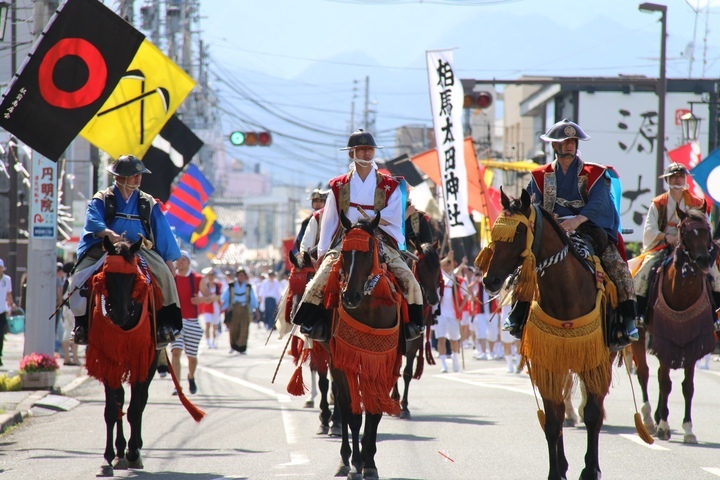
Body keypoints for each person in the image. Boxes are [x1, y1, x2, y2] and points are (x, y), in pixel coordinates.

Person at [505, 119, 639, 349]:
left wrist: (576, 221)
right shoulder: (540, 176)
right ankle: (518, 314)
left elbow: (599, 203)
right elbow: (530, 205)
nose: (569, 145)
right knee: (524, 267)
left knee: (617, 266)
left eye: (573, 141)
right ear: (554, 145)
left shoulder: (594, 173)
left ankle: (627, 320)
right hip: (549, 232)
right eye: (564, 141)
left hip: (588, 230)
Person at [292, 129, 425, 342]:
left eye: (369, 149)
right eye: (361, 149)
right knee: (321, 276)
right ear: (351, 153)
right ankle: (310, 321)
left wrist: (371, 222)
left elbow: (394, 215)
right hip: (347, 238)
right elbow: (330, 220)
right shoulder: (338, 185)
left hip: (378, 238)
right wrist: (324, 251)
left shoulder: (389, 184)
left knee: (408, 278)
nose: (366, 153)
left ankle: (415, 323)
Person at [71, 155, 182, 347]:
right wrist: (108, 233)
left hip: (140, 249)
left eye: (140, 175)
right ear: (119, 177)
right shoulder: (102, 198)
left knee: (165, 275)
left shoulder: (147, 202)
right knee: (77, 278)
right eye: (134, 175)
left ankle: (165, 324)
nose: (138, 179)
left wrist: (169, 261)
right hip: (107, 247)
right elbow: (93, 220)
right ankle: (81, 324)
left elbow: (161, 230)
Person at [633, 162, 720, 319]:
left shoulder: (697, 203)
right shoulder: (658, 203)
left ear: (685, 179)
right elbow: (649, 230)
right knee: (644, 272)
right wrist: (667, 237)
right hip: (663, 246)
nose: (678, 180)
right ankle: (640, 314)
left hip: (692, 247)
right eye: (673, 177)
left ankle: (715, 316)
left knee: (714, 273)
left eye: (681, 176)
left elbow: (707, 227)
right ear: (667, 180)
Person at [171, 251, 207, 395]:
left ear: (189, 262)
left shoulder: (197, 278)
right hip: (176, 321)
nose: (180, 262)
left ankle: (191, 376)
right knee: (175, 352)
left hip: (192, 321)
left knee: (192, 358)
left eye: (184, 260)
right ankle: (177, 385)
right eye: (178, 260)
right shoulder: (171, 277)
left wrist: (201, 300)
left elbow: (209, 297)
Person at [434, 254, 466, 372]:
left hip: (453, 314)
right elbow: (438, 265)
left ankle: (455, 360)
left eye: (449, 264)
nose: (446, 266)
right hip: (441, 314)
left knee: (454, 340)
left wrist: (460, 307)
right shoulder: (438, 279)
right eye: (445, 264)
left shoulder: (458, 280)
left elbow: (466, 296)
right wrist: (447, 257)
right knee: (441, 339)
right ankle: (444, 365)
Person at [221, 267, 258, 354]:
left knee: (244, 328)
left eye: (243, 275)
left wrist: (256, 309)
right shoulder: (231, 286)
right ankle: (233, 346)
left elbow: (253, 299)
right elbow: (225, 297)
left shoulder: (248, 287)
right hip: (234, 309)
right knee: (233, 329)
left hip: (244, 309)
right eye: (240, 275)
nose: (241, 277)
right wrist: (222, 306)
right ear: (237, 276)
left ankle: (242, 348)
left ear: (245, 277)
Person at [295, 189, 328, 256]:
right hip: (310, 254)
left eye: (321, 201)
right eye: (315, 201)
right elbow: (301, 240)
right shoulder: (306, 221)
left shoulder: (329, 218)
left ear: (325, 202)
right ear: (312, 203)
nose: (318, 203)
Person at [198, 267, 223, 349]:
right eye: (209, 275)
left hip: (216, 307)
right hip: (207, 307)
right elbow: (203, 297)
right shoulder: (205, 286)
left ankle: (214, 341)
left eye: (212, 275)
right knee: (208, 324)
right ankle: (208, 342)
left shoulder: (218, 285)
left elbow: (219, 296)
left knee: (215, 326)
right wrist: (210, 298)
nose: (211, 277)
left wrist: (210, 298)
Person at [0, 259, 15, 367]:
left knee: (1, 335)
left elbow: (8, 294)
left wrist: (11, 304)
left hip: (2, 311)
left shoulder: (7, 279)